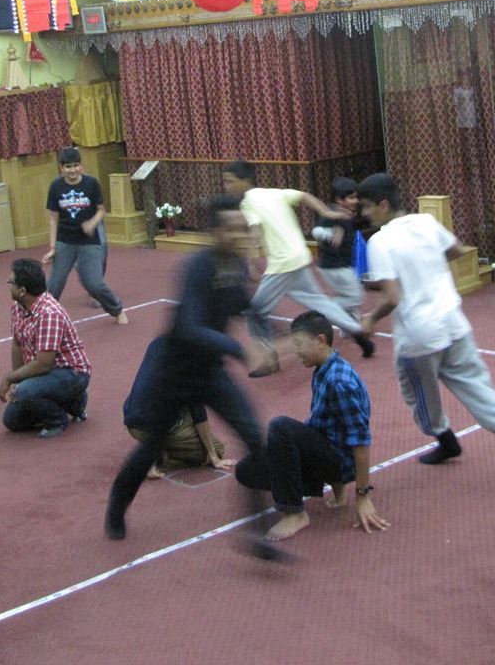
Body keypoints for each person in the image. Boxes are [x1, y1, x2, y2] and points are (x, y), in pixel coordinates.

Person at [105, 194, 281, 560]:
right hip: (174, 373)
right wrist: (242, 349)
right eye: (232, 229)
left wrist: (269, 336)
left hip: (211, 372)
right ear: (215, 231)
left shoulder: (234, 266)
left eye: (241, 228)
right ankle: (116, 509)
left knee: (255, 439)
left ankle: (257, 533)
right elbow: (189, 327)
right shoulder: (198, 267)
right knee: (152, 447)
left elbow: (248, 308)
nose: (239, 235)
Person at [357, 172, 495, 481]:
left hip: (418, 335)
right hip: (453, 321)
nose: (364, 214)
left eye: (368, 206)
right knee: (477, 385)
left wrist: (371, 318)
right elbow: (455, 250)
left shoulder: (380, 241)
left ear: (384, 205)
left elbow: (393, 296)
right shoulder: (425, 222)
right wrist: (425, 265)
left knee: (418, 394)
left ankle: (445, 439)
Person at [235, 311, 390, 542]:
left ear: (320, 341)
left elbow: (360, 440)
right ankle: (331, 486)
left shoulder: (339, 383)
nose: (296, 352)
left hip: (340, 463)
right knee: (247, 469)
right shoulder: (325, 369)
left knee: (281, 427)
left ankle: (295, 513)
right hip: (331, 453)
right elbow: (327, 424)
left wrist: (362, 495)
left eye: (299, 345)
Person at [220, 159, 363, 377]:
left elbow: (255, 229)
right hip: (300, 257)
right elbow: (304, 196)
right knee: (320, 302)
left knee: (254, 311)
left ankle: (269, 359)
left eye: (230, 182)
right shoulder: (273, 192)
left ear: (246, 181)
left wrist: (249, 262)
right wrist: (328, 213)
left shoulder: (248, 202)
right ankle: (358, 331)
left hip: (282, 265)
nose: (227, 186)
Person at [0, 257, 92, 438]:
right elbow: (17, 343)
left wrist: (9, 379)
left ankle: (58, 420)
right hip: (45, 374)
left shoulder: (49, 313)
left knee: (26, 392)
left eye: (11, 283)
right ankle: (71, 401)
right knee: (12, 421)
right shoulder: (18, 307)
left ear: (22, 290)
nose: (8, 285)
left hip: (70, 372)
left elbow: (43, 364)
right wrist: (17, 381)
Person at [123, 334, 233, 477]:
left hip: (132, 415)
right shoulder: (192, 361)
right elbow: (198, 412)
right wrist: (212, 453)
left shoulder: (160, 341)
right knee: (217, 448)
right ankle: (153, 454)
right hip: (152, 424)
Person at [43, 147, 127, 322]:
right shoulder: (56, 186)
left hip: (89, 243)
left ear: (80, 165)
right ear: (61, 168)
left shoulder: (91, 184)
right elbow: (53, 219)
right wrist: (52, 248)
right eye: (68, 167)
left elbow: (101, 211)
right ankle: (42, 318)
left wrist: (92, 223)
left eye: (75, 166)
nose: (72, 170)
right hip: (64, 242)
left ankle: (117, 310)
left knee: (94, 284)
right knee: (54, 284)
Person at [311, 176, 376, 358]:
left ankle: (348, 329)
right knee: (356, 296)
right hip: (334, 266)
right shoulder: (332, 213)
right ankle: (322, 312)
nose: (354, 201)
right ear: (339, 200)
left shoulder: (344, 214)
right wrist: (329, 234)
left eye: (355, 197)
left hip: (340, 264)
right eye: (350, 198)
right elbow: (316, 231)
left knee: (349, 297)